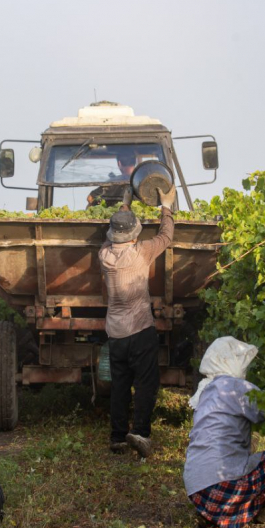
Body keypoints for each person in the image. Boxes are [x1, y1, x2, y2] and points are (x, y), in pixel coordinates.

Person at [184, 337, 265, 528]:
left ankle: (212, 517)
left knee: (247, 464)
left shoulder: (205, 391)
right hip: (222, 486)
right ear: (231, 362)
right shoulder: (235, 386)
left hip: (197, 491)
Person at [99, 184, 177, 457]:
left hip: (116, 334)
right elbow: (166, 236)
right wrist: (165, 205)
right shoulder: (142, 251)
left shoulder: (105, 254)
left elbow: (118, 232)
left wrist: (125, 204)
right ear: (134, 235)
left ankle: (118, 437)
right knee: (146, 382)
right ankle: (141, 433)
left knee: (120, 384)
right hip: (140, 329)